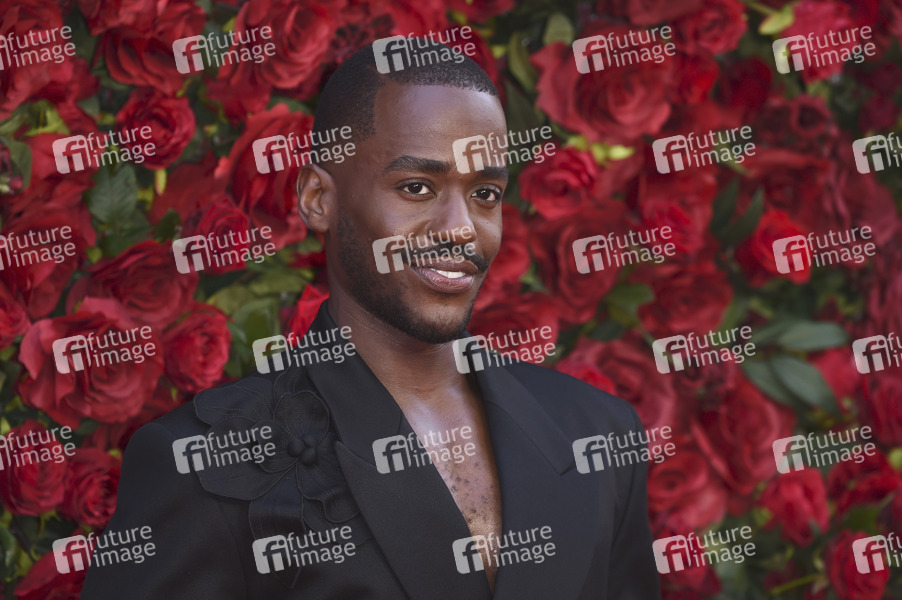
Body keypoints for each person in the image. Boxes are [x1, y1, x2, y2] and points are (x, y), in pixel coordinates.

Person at [81, 40, 661, 599]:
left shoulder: (599, 431)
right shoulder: (200, 463)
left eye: (485, 193)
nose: (461, 228)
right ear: (318, 198)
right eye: (417, 187)